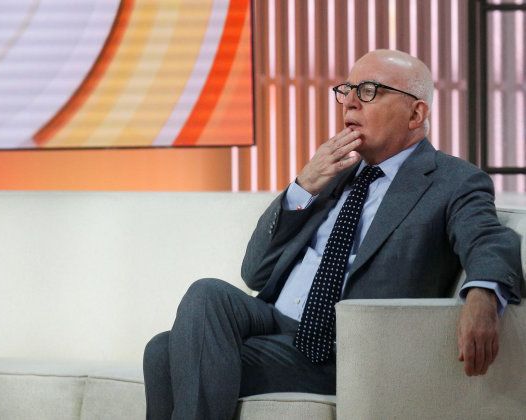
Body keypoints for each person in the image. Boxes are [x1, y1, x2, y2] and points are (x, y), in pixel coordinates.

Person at [143, 49, 523, 420]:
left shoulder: (451, 180)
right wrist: (302, 187)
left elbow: (487, 238)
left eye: (369, 90)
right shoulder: (332, 174)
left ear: (415, 113)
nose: (350, 103)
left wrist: (483, 295)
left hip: (342, 345)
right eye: (347, 90)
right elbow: (255, 272)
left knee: (164, 352)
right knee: (205, 297)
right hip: (278, 323)